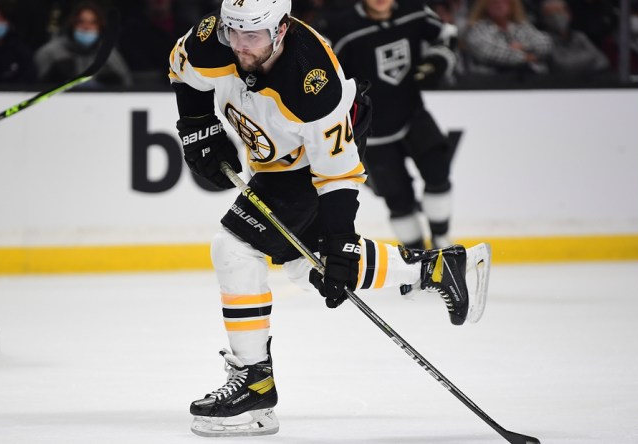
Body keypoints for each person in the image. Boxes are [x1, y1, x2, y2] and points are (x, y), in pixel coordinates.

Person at [167, 0, 492, 436]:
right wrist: (197, 126)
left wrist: (343, 241)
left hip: (309, 161)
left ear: (280, 30)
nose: (241, 47)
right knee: (308, 267)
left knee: (235, 247)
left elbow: (338, 174)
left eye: (254, 36)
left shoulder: (312, 83)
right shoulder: (215, 38)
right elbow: (181, 70)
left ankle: (255, 388)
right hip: (276, 158)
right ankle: (441, 267)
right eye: (234, 34)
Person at [321, 0, 459, 250]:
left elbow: (446, 35)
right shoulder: (340, 28)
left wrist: (437, 61)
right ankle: (417, 254)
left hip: (412, 114)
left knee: (438, 172)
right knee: (399, 200)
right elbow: (322, 73)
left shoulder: (415, 11)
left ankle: (442, 240)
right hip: (371, 132)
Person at [35, 1, 132, 88]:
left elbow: (126, 86)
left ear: (100, 26)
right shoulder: (50, 53)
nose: (86, 27)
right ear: (72, 24)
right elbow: (33, 87)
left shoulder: (109, 55)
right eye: (81, 22)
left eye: (92, 22)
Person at [464, 0, 553, 75]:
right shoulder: (477, 29)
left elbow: (545, 43)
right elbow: (490, 53)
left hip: (533, 81)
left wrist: (523, 46)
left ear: (512, 4)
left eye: (503, 1)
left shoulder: (522, 27)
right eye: (493, 1)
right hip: (491, 83)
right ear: (484, 5)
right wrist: (526, 57)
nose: (498, 4)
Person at [539, 0, 609, 75]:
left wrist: (576, 64)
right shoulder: (544, 40)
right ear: (544, 20)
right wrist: (590, 59)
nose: (556, 17)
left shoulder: (579, 36)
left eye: (559, 12)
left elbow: (603, 61)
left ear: (568, 14)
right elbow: (564, 66)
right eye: (550, 15)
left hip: (587, 84)